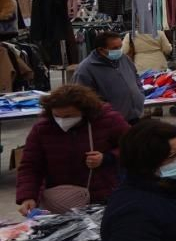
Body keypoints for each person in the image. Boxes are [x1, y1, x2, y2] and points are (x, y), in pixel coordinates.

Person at [16, 84, 129, 215]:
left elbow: (134, 147)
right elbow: (30, 165)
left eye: (69, 116)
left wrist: (107, 158)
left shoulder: (109, 120)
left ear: (85, 111)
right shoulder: (42, 128)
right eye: (57, 116)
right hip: (59, 201)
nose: (62, 121)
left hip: (102, 196)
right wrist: (28, 196)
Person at [75, 27, 145, 124]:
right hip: (109, 122)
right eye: (114, 48)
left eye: (120, 47)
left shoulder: (124, 58)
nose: (119, 51)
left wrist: (140, 93)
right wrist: (106, 112)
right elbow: (82, 98)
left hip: (134, 115)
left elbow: (135, 76)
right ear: (101, 49)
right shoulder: (86, 69)